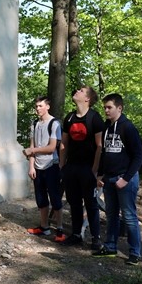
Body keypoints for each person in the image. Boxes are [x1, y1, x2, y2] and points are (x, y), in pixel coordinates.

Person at [92, 93, 142, 265]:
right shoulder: (107, 127)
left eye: (109, 107)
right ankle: (110, 246)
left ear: (119, 108)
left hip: (125, 179)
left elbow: (138, 157)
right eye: (105, 107)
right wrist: (101, 175)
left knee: (129, 216)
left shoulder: (128, 128)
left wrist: (126, 179)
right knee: (111, 215)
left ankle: (135, 253)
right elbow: (105, 153)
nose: (106, 110)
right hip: (109, 178)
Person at [60, 86, 106, 249]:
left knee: (91, 203)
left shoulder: (95, 118)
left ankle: (96, 239)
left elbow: (100, 146)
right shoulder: (70, 117)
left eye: (81, 91)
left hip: (88, 169)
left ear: (87, 99)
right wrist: (62, 166)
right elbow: (64, 143)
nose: (77, 91)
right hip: (71, 167)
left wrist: (95, 171)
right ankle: (76, 234)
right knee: (73, 202)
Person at [23, 96, 66, 242]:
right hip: (37, 167)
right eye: (36, 106)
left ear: (48, 106)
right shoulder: (35, 123)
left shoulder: (54, 123)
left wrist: (32, 151)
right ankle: (44, 227)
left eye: (40, 106)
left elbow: (52, 148)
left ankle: (60, 229)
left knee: (55, 197)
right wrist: (31, 166)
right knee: (40, 198)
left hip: (51, 166)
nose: (38, 109)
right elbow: (32, 146)